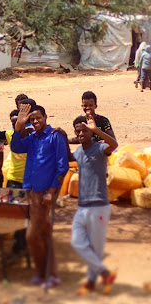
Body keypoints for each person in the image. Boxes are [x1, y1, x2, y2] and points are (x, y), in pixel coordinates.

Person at [10, 104, 69, 288]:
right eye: (32, 119)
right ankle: (50, 274)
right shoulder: (32, 138)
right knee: (44, 233)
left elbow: (62, 166)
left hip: (44, 193)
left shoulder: (55, 136)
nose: (35, 121)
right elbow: (16, 147)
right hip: (31, 190)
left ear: (45, 117)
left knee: (32, 235)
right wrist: (19, 126)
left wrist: (51, 192)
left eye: (38, 118)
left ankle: (43, 272)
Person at [63, 114, 118, 295]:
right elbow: (68, 157)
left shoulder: (100, 148)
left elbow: (114, 145)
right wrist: (62, 137)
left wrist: (97, 130)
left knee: (96, 248)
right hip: (82, 206)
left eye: (84, 131)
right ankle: (105, 273)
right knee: (77, 242)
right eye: (77, 131)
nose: (80, 134)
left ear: (90, 132)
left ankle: (91, 282)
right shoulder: (79, 152)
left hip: (99, 205)